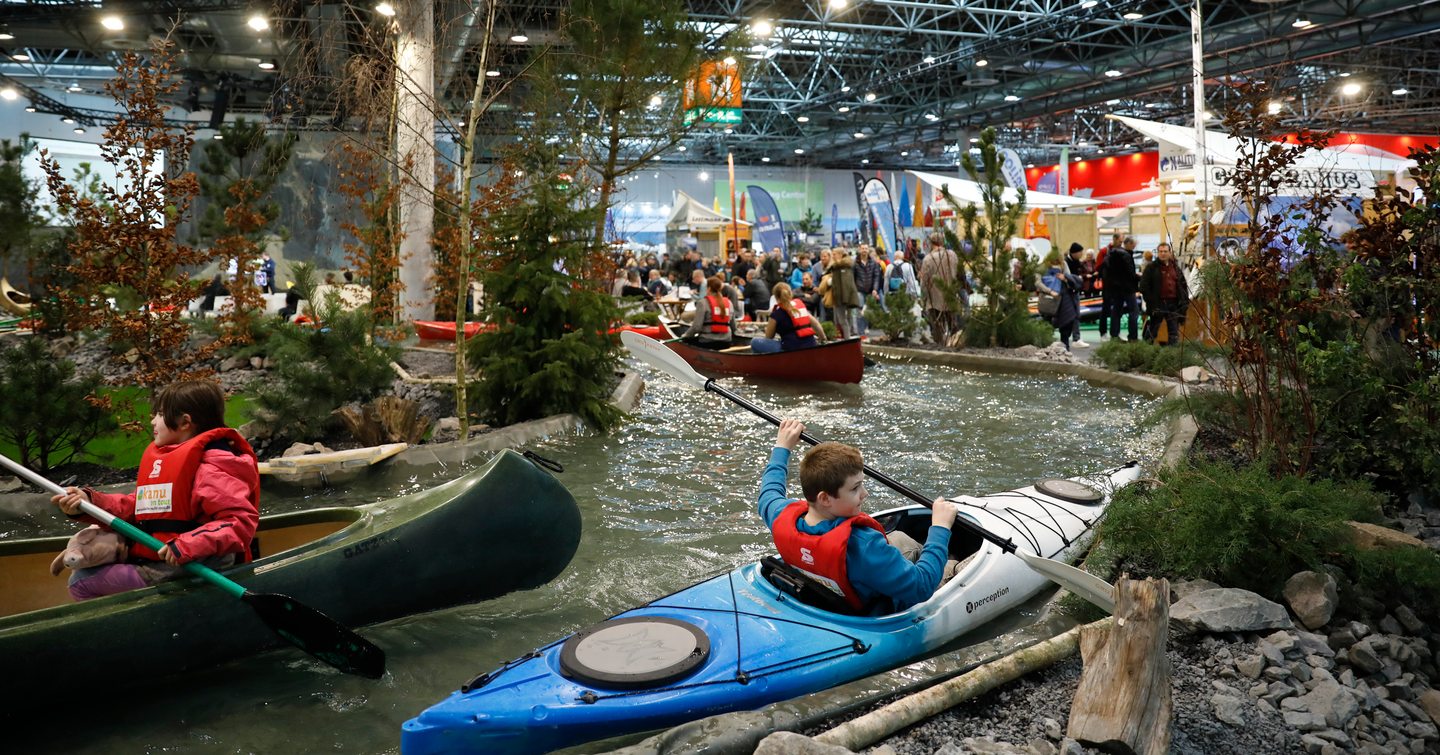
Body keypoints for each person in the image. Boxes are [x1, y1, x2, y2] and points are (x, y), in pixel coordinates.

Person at [49, 380, 260, 601]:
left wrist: (187, 544)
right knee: (83, 575)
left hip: (186, 565)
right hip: (161, 561)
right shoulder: (169, 458)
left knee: (81, 581)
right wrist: (90, 502)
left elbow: (239, 523)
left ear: (185, 422)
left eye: (159, 414)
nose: (152, 420)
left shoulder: (212, 469)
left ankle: (132, 631)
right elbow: (140, 506)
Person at [756, 418, 959, 614]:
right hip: (880, 606)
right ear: (825, 499)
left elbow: (769, 492)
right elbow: (922, 587)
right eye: (855, 488)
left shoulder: (780, 516)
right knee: (955, 567)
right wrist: (940, 527)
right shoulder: (863, 545)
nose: (865, 493)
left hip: (837, 592)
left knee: (901, 540)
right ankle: (953, 562)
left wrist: (782, 447)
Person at [1139, 242, 1190, 345]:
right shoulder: (1151, 268)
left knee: (1174, 332)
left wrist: (1184, 301)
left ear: (1170, 253)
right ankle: (1145, 351)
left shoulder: (1175, 268)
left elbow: (1183, 285)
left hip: (1174, 304)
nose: (1163, 254)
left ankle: (1172, 355)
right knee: (1152, 330)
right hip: (1158, 304)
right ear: (1158, 253)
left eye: (1165, 251)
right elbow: (1143, 286)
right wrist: (1151, 301)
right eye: (1161, 251)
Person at [752, 282, 825, 353]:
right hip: (810, 345)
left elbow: (768, 338)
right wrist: (823, 339)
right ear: (791, 294)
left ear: (776, 297)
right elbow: (817, 325)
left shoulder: (776, 314)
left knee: (754, 342)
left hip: (790, 349)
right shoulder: (800, 309)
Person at [918, 232, 963, 345]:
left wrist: (923, 297)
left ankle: (940, 345)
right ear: (942, 242)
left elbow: (924, 281)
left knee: (937, 325)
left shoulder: (928, 259)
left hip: (934, 298)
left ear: (931, 243)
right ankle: (954, 344)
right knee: (953, 324)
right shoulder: (952, 255)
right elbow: (959, 273)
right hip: (951, 295)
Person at [1039, 252, 1083, 352]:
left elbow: (1070, 279)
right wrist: (1049, 291)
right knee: (1048, 323)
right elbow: (1038, 282)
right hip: (1049, 300)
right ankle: (1048, 346)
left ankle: (1064, 347)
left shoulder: (1064, 265)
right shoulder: (1043, 267)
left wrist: (1065, 278)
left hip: (1063, 299)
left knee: (1066, 323)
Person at [1102, 236, 1141, 342]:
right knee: (1134, 311)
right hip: (1128, 288)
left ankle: (1114, 335)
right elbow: (1130, 273)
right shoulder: (1127, 256)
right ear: (1128, 244)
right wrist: (1139, 277)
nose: (1134, 246)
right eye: (1133, 244)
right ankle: (1132, 336)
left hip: (1115, 288)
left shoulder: (1111, 254)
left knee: (1116, 311)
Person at [681, 275, 736, 349]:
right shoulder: (729, 302)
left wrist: (685, 336)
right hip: (726, 342)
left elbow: (696, 327)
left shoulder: (703, 303)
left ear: (709, 289)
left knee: (686, 341)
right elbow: (733, 326)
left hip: (707, 341)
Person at [826, 248, 862, 338]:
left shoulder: (842, 267)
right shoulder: (841, 266)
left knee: (843, 320)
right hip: (844, 296)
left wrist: (844, 299)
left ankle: (847, 338)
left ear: (840, 255)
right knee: (845, 319)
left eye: (834, 254)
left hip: (842, 297)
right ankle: (847, 337)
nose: (832, 256)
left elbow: (845, 284)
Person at [1095, 232, 1123, 337]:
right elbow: (1098, 267)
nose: (1121, 243)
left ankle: (1116, 332)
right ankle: (1103, 333)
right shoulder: (1104, 251)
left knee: (1118, 309)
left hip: (1119, 286)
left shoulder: (1122, 251)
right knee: (1106, 309)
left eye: (1122, 242)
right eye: (1120, 241)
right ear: (1114, 240)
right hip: (1107, 285)